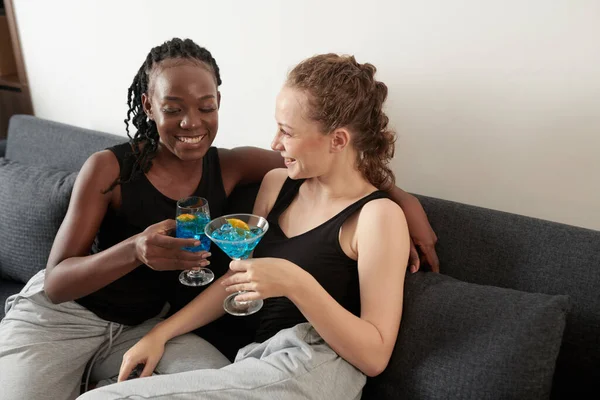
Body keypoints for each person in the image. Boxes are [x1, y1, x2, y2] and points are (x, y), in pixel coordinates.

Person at [0, 38, 435, 400]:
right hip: (95, 321)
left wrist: (399, 200)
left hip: (266, 354)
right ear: (149, 105)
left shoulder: (369, 213)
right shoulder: (273, 182)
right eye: (173, 108)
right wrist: (148, 292)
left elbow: (375, 353)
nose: (275, 141)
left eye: (287, 130)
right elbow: (235, 277)